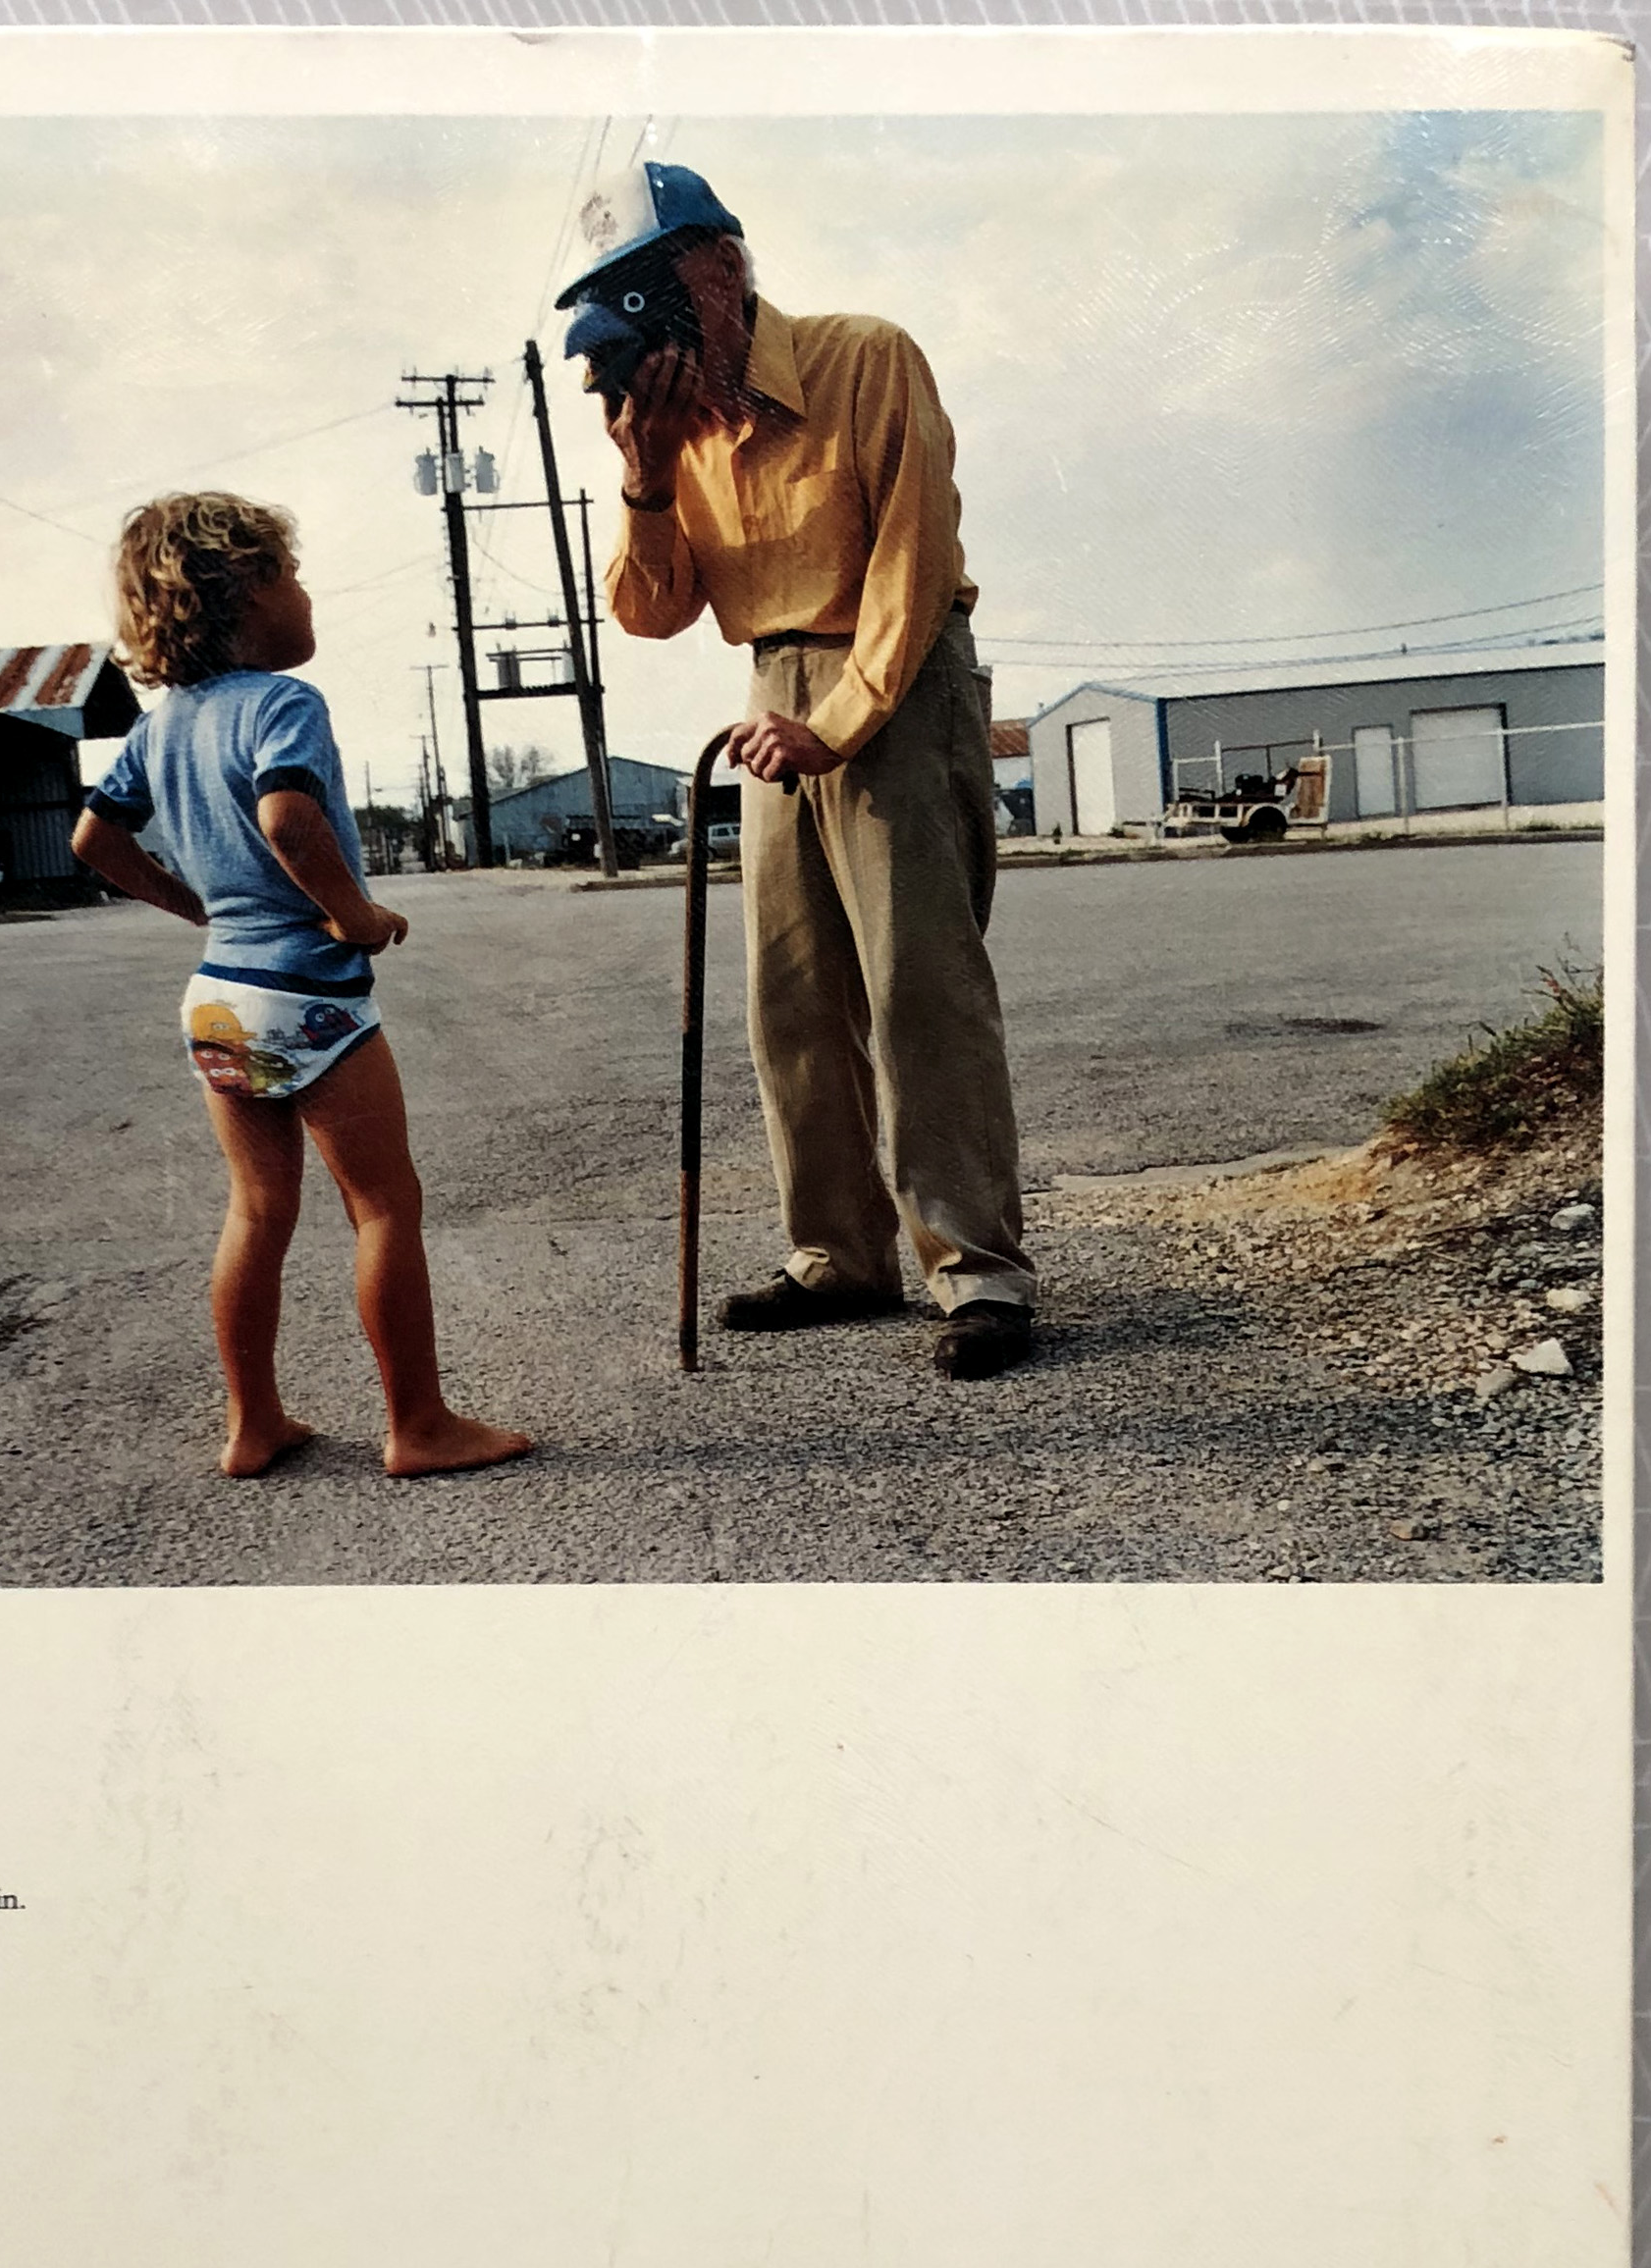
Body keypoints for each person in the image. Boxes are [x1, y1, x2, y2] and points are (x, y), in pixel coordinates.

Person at [559, 164, 1039, 1378]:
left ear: (720, 266)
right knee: (791, 996)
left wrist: (844, 717)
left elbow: (914, 556)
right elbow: (651, 612)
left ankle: (974, 1270)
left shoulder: (864, 357)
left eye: (650, 287)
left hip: (897, 672)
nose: (639, 336)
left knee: (918, 985)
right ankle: (838, 1255)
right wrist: (645, 480)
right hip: (769, 685)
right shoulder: (678, 430)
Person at [72, 491, 531, 1480]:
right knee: (383, 1206)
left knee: (256, 1209)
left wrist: (197, 906)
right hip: (308, 994)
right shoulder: (283, 704)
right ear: (245, 591)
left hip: (219, 996)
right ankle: (418, 1425)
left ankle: (252, 1423)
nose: (308, 593)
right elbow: (287, 820)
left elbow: (93, 839)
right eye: (292, 574)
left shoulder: (160, 727)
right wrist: (353, 913)